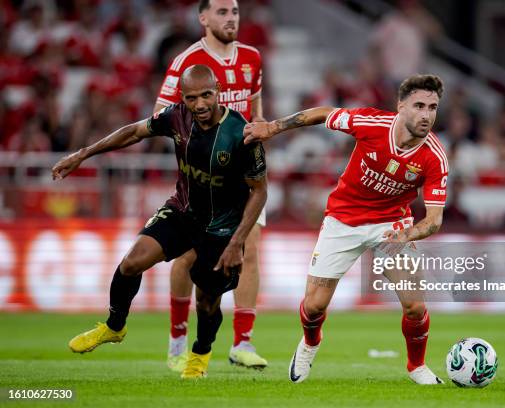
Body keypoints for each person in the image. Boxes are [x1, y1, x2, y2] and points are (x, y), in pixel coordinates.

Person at [54, 65, 267, 379]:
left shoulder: (241, 133)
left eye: (207, 95)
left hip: (222, 227)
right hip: (183, 211)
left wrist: (238, 242)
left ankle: (199, 354)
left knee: (207, 299)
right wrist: (83, 154)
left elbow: (260, 192)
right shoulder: (176, 117)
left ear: (218, 90)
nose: (201, 104)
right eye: (192, 98)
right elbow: (134, 132)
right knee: (131, 263)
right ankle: (114, 327)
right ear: (183, 98)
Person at [244, 74, 448, 385]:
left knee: (415, 305)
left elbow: (433, 220)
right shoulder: (372, 123)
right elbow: (323, 113)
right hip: (343, 220)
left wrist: (406, 234)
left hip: (391, 226)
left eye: (432, 107)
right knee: (313, 307)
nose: (426, 115)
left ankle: (416, 366)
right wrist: (272, 128)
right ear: (401, 106)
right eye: (419, 106)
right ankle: (310, 343)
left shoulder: (434, 157)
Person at [155, 0, 267, 371]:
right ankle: (176, 344)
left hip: (243, 177)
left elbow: (255, 107)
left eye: (234, 11)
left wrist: (259, 130)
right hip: (202, 179)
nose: (230, 18)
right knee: (187, 256)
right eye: (221, 12)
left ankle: (242, 343)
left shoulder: (252, 57)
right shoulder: (186, 62)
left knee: (249, 250)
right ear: (203, 18)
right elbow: (161, 115)